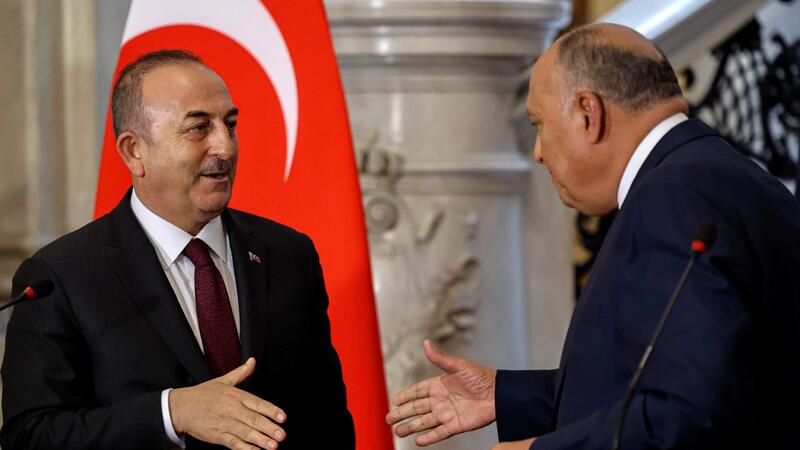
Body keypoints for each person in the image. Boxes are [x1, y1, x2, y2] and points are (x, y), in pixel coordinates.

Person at [386, 23, 800, 449]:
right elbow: (707, 382)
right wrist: (503, 396)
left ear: (588, 113)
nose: (538, 153)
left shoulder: (669, 201)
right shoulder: (728, 177)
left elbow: (686, 416)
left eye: (540, 124)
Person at [1, 50, 355, 450]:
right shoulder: (60, 277)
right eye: (199, 128)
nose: (225, 147)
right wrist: (171, 413)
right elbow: (29, 436)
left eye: (230, 124)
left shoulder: (289, 254)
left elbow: (328, 424)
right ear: (134, 151)